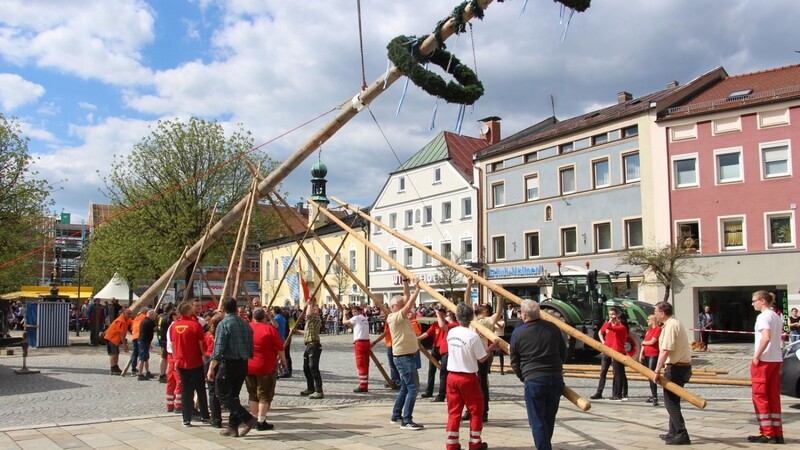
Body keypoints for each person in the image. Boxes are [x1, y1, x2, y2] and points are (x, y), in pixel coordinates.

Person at [510, 300, 566, 450]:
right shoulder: (553, 328)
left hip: (534, 378)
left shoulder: (518, 333)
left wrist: (522, 376)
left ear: (523, 315)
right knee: (548, 418)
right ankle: (545, 445)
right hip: (555, 377)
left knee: (537, 420)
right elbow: (563, 352)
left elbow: (514, 360)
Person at [445, 303, 498, 450]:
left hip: (452, 376)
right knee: (476, 410)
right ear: (471, 318)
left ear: (457, 317)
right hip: (467, 376)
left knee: (454, 411)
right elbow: (481, 358)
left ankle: (451, 444)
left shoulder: (451, 333)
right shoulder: (473, 336)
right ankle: (475, 443)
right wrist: (491, 348)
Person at [207, 298, 257, 438]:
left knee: (221, 393)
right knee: (234, 396)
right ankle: (232, 427)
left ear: (223, 309)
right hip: (243, 362)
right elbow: (251, 345)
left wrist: (211, 368)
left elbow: (218, 348)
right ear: (236, 308)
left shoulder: (224, 324)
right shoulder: (245, 324)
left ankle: (247, 417)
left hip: (229, 363)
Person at [653, 301, 692, 446]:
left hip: (676, 368)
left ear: (662, 313)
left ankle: (682, 433)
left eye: (656, 312)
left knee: (670, 403)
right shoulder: (674, 323)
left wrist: (657, 371)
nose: (655, 314)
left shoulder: (670, 326)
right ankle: (673, 432)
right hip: (681, 366)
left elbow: (665, 350)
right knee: (673, 401)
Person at [747, 290, 784, 444]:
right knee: (773, 395)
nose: (752, 303)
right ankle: (777, 432)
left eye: (754, 300)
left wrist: (757, 355)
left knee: (760, 396)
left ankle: (767, 432)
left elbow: (766, 337)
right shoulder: (776, 316)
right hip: (776, 359)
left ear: (763, 301)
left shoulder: (763, 316)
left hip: (764, 360)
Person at [388, 276, 424, 430]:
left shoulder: (400, 315)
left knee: (405, 387)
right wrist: (417, 289)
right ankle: (406, 420)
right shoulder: (394, 317)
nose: (404, 307)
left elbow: (407, 299)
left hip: (408, 356)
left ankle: (396, 415)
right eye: (401, 305)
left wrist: (405, 283)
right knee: (413, 388)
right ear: (394, 306)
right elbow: (408, 304)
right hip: (403, 357)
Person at [468, 276, 503, 422]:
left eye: (482, 306)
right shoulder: (472, 319)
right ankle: (469, 410)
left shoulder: (488, 320)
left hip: (482, 355)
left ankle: (484, 412)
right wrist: (469, 285)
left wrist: (499, 296)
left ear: (486, 311)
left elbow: (499, 312)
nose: (479, 306)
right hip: (470, 356)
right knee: (469, 384)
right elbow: (466, 302)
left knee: (482, 384)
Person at [246, 307, 286, 431]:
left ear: (253, 316)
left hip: (248, 365)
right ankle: (261, 421)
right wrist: (283, 362)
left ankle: (253, 418)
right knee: (264, 395)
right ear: (264, 317)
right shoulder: (269, 329)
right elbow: (280, 348)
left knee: (252, 394)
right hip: (265, 365)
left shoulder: (247, 328)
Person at [171, 302, 210, 427]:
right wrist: (205, 356)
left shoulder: (174, 326)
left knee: (186, 391)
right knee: (200, 389)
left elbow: (172, 345)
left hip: (181, 362)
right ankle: (205, 415)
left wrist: (176, 360)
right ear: (188, 312)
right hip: (195, 362)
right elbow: (200, 344)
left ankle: (186, 418)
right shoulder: (195, 325)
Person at [418, 305, 456, 402]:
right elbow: (427, 333)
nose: (441, 316)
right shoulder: (435, 325)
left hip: (444, 350)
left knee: (443, 372)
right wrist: (418, 339)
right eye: (440, 315)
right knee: (431, 371)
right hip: (435, 348)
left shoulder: (448, 325)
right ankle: (429, 391)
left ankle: (442, 393)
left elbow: (443, 327)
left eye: (443, 315)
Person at [591, 307, 628, 401]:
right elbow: (601, 330)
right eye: (610, 314)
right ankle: (599, 392)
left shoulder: (620, 327)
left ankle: (618, 393)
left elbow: (609, 328)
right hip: (607, 350)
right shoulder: (609, 324)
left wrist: (611, 322)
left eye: (613, 314)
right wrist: (603, 341)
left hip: (616, 351)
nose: (611, 316)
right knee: (603, 372)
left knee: (618, 373)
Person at [296, 297, 324, 399]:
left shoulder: (316, 318)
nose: (314, 310)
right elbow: (306, 332)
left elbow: (308, 314)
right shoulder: (309, 322)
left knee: (313, 367)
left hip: (315, 346)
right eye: (313, 308)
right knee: (306, 368)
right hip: (308, 345)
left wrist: (309, 304)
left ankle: (319, 390)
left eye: (316, 309)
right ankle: (310, 388)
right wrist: (297, 331)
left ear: (318, 313)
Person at [343, 303, 371, 393]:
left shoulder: (357, 318)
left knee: (361, 364)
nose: (354, 313)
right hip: (366, 342)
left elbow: (344, 322)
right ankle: (365, 384)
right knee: (365, 364)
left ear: (359, 311)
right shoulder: (364, 319)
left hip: (360, 342)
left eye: (355, 311)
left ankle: (363, 386)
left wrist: (344, 314)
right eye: (353, 312)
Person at [204, 312, 224, 428]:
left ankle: (216, 419)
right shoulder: (225, 334)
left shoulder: (207, 335)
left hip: (209, 360)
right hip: (221, 361)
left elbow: (204, 348)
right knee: (223, 390)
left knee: (212, 391)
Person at [638, 314, 661, 406]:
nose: (647, 321)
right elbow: (644, 343)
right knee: (649, 376)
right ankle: (653, 395)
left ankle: (655, 397)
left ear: (653, 320)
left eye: (648, 319)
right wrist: (641, 353)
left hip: (653, 354)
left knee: (652, 376)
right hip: (647, 354)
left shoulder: (658, 329)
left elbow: (652, 341)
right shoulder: (649, 330)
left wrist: (643, 342)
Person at [104, 308, 132, 375]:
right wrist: (125, 345)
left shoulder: (127, 320)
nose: (129, 315)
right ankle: (113, 368)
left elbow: (133, 323)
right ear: (123, 314)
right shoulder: (120, 321)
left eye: (130, 314)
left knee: (116, 353)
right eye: (128, 314)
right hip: (111, 338)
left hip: (115, 339)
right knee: (113, 354)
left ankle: (116, 367)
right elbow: (121, 334)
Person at [136, 310, 157, 380]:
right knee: (142, 358)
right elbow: (156, 328)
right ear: (151, 315)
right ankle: (140, 374)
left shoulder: (144, 320)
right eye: (154, 315)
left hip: (145, 341)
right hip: (144, 341)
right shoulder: (149, 321)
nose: (155, 317)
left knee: (146, 358)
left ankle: (147, 372)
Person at [273, 306, 292, 378]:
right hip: (284, 337)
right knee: (282, 356)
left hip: (281, 337)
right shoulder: (283, 318)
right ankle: (282, 371)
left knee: (281, 356)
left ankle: (283, 371)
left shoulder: (278, 318)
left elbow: (291, 328)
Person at [128, 308, 147, 376]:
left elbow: (131, 328)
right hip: (141, 337)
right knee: (141, 354)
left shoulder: (136, 318)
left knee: (135, 353)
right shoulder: (145, 317)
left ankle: (133, 369)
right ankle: (139, 369)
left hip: (134, 336)